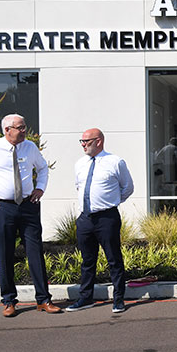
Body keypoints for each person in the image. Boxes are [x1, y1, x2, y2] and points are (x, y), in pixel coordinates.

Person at [0, 113, 62, 317]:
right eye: (20, 127)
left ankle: (43, 300)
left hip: (28, 206)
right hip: (2, 208)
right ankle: (9, 301)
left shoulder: (30, 147)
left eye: (24, 126)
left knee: (35, 253)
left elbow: (43, 168)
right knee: (5, 254)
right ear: (7, 130)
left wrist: (40, 188)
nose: (24, 130)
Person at [66, 128, 134, 313]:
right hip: (85, 218)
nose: (83, 145)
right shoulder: (80, 163)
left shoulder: (115, 162)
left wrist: (111, 202)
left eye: (86, 141)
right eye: (81, 141)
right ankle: (85, 298)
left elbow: (128, 187)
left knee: (114, 259)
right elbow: (79, 186)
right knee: (87, 260)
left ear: (99, 141)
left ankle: (118, 300)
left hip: (106, 218)